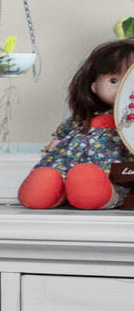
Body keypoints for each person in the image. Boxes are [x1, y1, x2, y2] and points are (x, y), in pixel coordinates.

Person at [18, 38, 134, 210]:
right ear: (94, 86)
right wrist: (57, 142)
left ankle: (94, 192)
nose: (122, 88)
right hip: (66, 166)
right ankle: (52, 190)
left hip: (109, 174)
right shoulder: (82, 121)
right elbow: (65, 132)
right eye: (113, 81)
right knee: (46, 179)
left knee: (88, 182)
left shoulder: (128, 120)